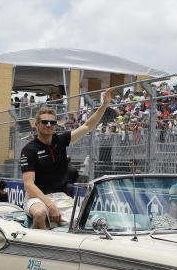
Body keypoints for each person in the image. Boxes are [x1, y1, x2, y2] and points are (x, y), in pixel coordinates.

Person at [21, 89, 111, 229]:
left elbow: (87, 126)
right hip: (36, 197)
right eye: (44, 122)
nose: (49, 125)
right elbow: (28, 185)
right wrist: (50, 205)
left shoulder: (61, 140)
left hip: (61, 197)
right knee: (39, 214)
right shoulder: (29, 150)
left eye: (52, 122)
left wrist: (104, 105)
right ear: (37, 124)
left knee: (82, 225)